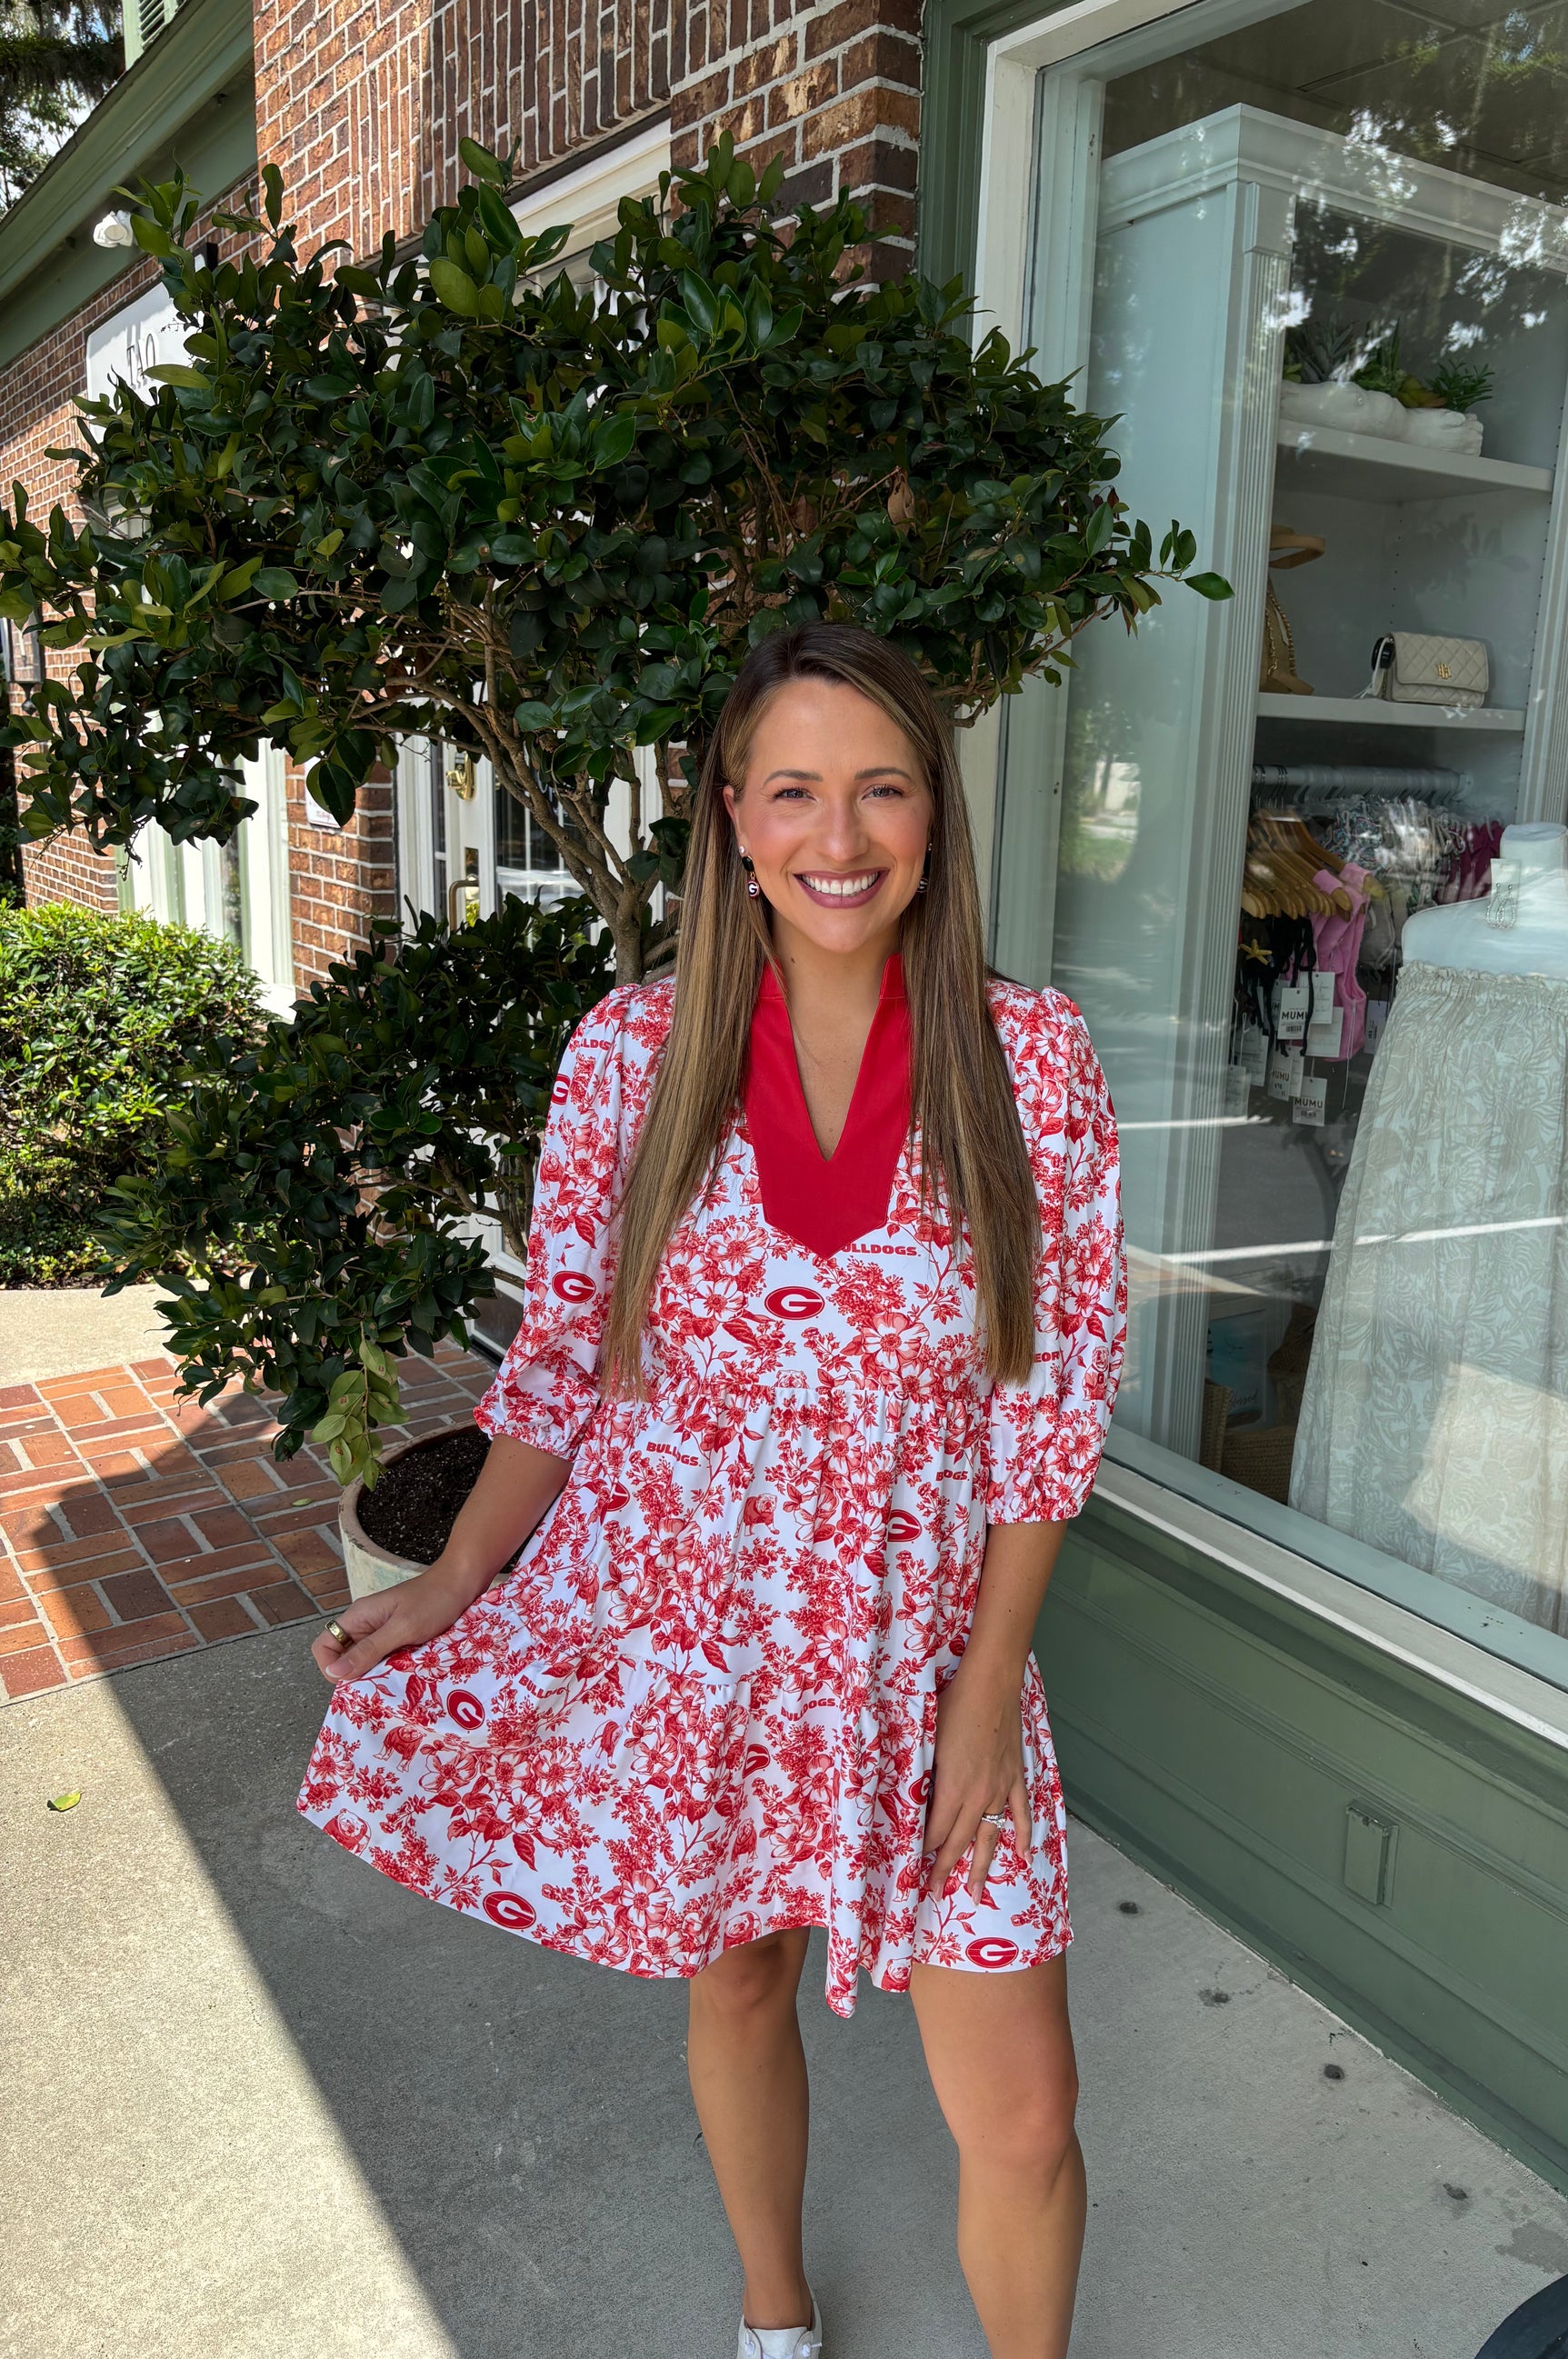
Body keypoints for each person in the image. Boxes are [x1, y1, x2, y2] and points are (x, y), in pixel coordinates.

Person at [298, 622, 1126, 2359]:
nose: (842, 838)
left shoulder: (1024, 1057)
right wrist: (453, 1585)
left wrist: (984, 1701)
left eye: (883, 787)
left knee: (1025, 2113)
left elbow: (1044, 1421)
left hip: (923, 1651)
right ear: (732, 821)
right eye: (797, 791)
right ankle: (775, 2319)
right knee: (737, 1972)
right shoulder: (633, 1053)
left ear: (933, 816)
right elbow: (561, 1373)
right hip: (699, 1634)